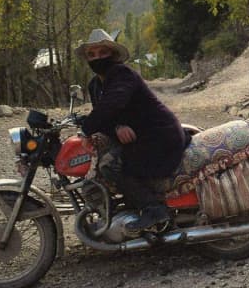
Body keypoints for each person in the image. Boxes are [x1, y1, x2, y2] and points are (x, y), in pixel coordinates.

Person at [76, 29, 189, 231]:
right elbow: (106, 116)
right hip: (140, 137)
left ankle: (153, 209)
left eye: (102, 53)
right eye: (91, 55)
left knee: (111, 166)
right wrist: (116, 126)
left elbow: (112, 104)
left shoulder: (122, 74)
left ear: (113, 55)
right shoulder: (95, 84)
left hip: (159, 135)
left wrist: (85, 131)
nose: (97, 58)